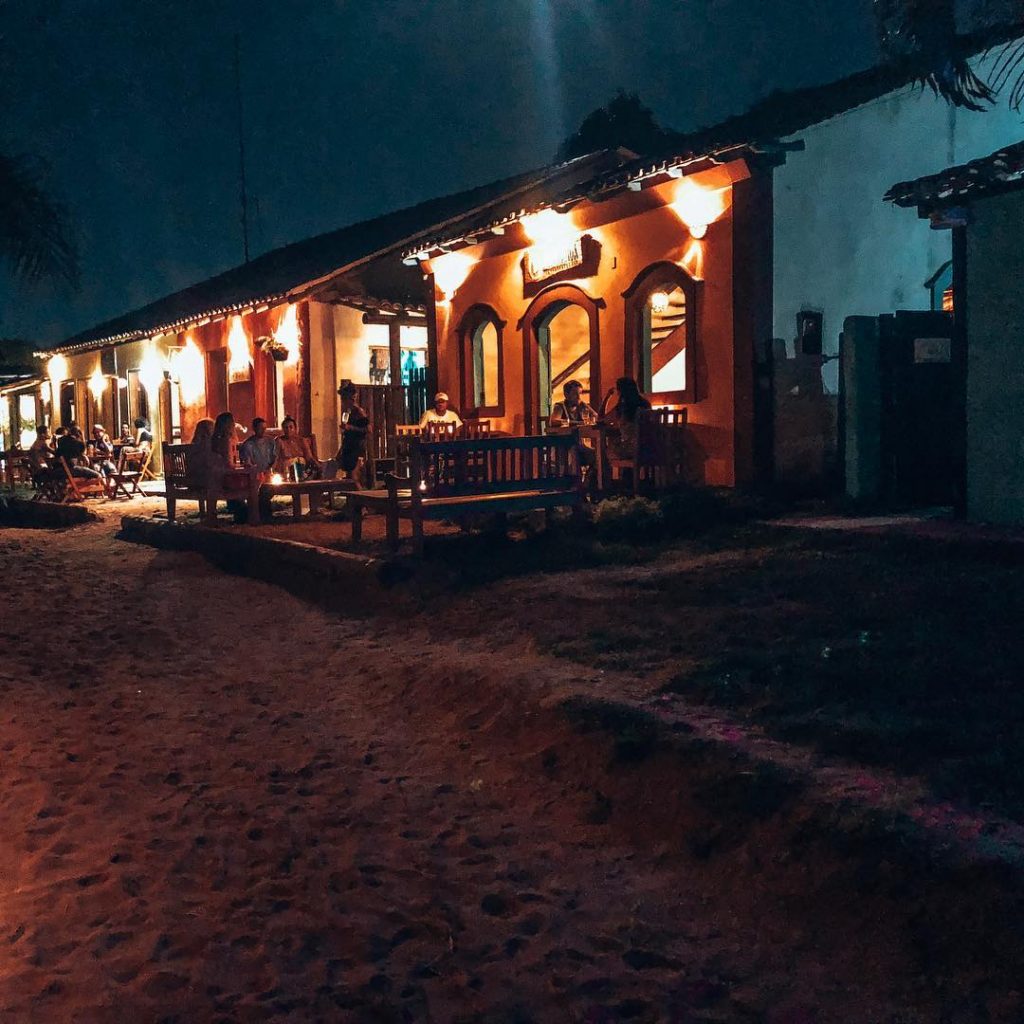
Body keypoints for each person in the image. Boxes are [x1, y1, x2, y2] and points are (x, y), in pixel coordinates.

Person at [548, 380, 598, 486]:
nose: (579, 397)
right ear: (566, 395)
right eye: (575, 394)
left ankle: (586, 484)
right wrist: (576, 422)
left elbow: (596, 417)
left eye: (580, 394)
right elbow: (553, 421)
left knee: (598, 455)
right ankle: (576, 486)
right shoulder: (560, 406)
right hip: (562, 448)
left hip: (579, 446)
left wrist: (585, 405)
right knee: (574, 453)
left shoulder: (581, 406)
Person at [599, 376, 652, 461]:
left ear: (621, 392)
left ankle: (602, 474)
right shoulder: (646, 404)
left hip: (632, 449)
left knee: (604, 453)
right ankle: (628, 473)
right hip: (649, 448)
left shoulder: (623, 406)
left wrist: (607, 397)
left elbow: (601, 419)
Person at [336, 382, 369, 483]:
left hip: (356, 446)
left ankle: (361, 496)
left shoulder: (358, 412)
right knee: (349, 476)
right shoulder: (348, 411)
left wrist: (350, 428)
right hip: (349, 445)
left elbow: (368, 429)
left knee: (353, 477)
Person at [273, 415, 318, 480]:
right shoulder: (279, 441)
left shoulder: (302, 440)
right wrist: (272, 471)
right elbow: (275, 458)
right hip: (285, 471)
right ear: (283, 429)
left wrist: (318, 465)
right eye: (286, 427)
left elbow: (309, 457)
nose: (288, 430)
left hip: (302, 470)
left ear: (295, 428)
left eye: (291, 427)